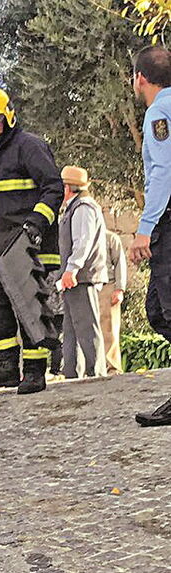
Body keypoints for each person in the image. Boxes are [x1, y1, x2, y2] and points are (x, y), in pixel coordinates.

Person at [0, 86, 63, 394]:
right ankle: (6, 367)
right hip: (0, 247)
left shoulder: (28, 146)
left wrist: (36, 223)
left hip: (28, 245)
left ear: (7, 117)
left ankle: (35, 371)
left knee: (29, 309)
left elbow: (53, 188)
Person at [129, 46, 171, 426]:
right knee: (158, 310)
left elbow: (162, 172)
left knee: (166, 311)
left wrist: (145, 228)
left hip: (168, 223)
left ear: (140, 78)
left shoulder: (159, 112)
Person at [58, 166, 108, 379]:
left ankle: (95, 373)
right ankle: (72, 373)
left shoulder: (83, 207)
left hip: (82, 277)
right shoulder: (76, 207)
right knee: (72, 329)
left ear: (67, 187)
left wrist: (72, 269)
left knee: (87, 328)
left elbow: (83, 241)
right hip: (76, 278)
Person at [100, 231, 127, 374]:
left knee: (109, 329)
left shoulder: (110, 238)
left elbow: (119, 262)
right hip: (88, 287)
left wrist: (120, 288)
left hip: (108, 286)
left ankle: (112, 367)